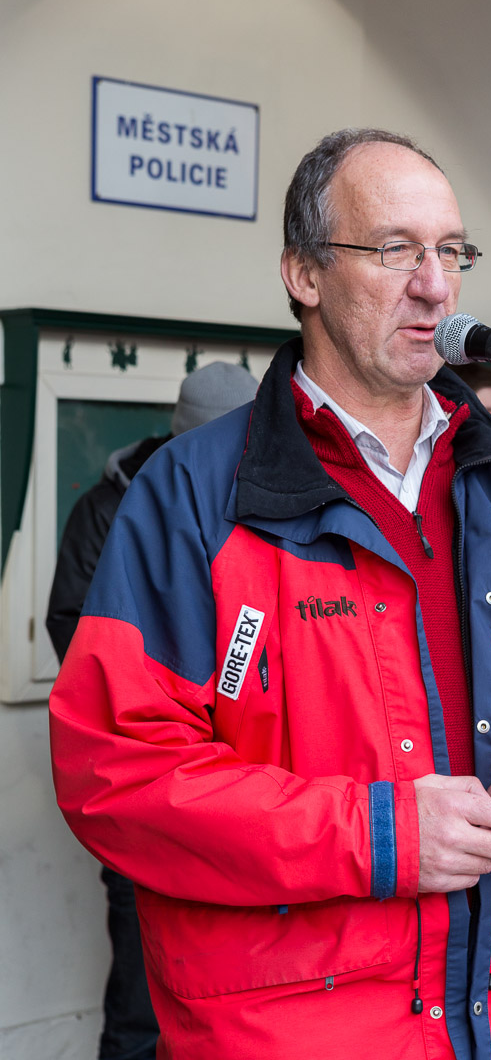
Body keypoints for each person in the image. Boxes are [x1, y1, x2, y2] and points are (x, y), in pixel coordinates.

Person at [49, 129, 491, 1060]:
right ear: (303, 275)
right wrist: (380, 835)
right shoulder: (196, 496)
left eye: (451, 252)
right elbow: (116, 776)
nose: (435, 285)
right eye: (395, 249)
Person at [46, 359, 258, 1060]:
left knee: (241, 1002)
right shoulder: (107, 511)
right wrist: (188, 685)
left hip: (250, 803)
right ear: (185, 441)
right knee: (142, 1004)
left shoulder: (261, 502)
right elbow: (76, 636)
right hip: (150, 792)